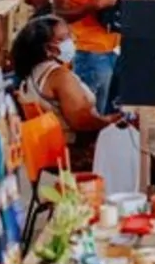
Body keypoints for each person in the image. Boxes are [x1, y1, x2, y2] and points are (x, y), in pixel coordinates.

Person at [13, 16, 121, 169]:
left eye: (69, 35)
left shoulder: (33, 73)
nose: (71, 41)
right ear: (48, 48)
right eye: (63, 38)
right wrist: (111, 121)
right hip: (74, 151)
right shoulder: (59, 77)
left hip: (52, 150)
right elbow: (82, 122)